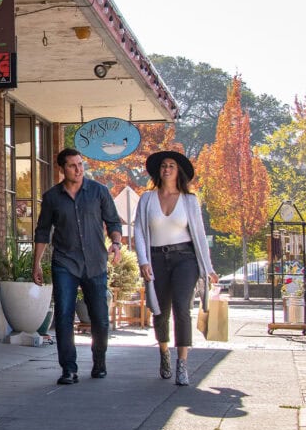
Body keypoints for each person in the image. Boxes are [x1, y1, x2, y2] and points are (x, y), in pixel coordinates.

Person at [32, 148, 123, 385]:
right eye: (73, 165)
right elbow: (42, 231)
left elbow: (113, 221)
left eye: (81, 164)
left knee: (100, 318)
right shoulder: (52, 197)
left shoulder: (98, 191)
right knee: (63, 315)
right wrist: (37, 264)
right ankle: (68, 369)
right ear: (62, 169)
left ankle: (99, 361)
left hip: (95, 263)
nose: (79, 169)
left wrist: (115, 244)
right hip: (65, 262)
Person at [133, 150, 219, 386]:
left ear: (177, 171)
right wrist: (143, 261)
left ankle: (182, 363)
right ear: (158, 172)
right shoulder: (147, 199)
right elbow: (139, 231)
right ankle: (164, 353)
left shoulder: (189, 200)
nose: (167, 169)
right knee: (160, 311)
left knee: (182, 308)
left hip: (185, 258)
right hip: (157, 258)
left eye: (171, 165)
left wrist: (208, 268)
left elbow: (199, 235)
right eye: (163, 166)